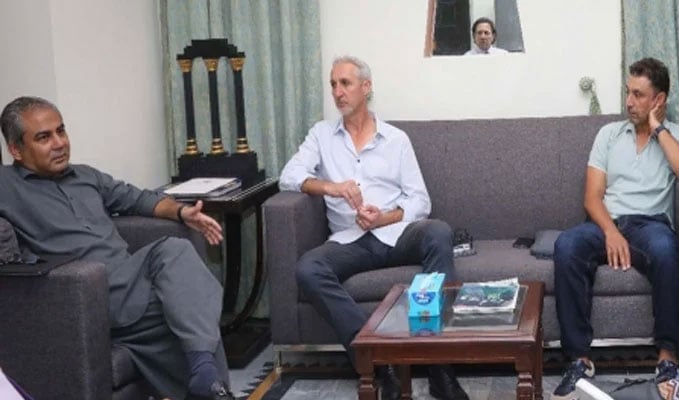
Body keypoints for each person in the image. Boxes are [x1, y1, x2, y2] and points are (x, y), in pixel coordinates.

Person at [0, 96, 234, 400]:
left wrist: (181, 213)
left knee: (177, 261)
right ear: (16, 150)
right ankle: (209, 381)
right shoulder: (6, 184)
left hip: (130, 281)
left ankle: (206, 379)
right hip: (83, 293)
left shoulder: (85, 175)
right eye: (44, 137)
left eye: (61, 131)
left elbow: (137, 199)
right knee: (190, 300)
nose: (59, 143)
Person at [279, 55, 470, 400]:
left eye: (345, 84)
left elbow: (420, 201)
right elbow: (289, 177)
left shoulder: (396, 139)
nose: (338, 92)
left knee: (438, 231)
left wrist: (385, 217)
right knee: (308, 268)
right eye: (333, 85)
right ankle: (378, 364)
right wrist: (331, 187)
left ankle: (441, 367)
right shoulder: (321, 135)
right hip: (350, 241)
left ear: (366, 88)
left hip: (396, 235)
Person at [551, 57, 679, 400]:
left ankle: (666, 357)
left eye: (638, 94)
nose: (629, 102)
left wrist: (658, 129)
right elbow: (592, 197)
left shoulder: (678, 137)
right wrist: (611, 232)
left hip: (651, 226)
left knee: (667, 251)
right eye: (627, 92)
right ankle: (579, 360)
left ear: (658, 100)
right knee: (567, 246)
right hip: (607, 221)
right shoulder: (609, 134)